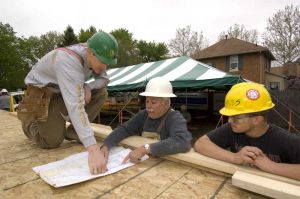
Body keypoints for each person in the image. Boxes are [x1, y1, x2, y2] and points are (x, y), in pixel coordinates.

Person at [17, 31, 118, 175]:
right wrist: (93, 149)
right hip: (44, 93)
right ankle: (29, 123)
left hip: (62, 91)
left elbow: (104, 80)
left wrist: (89, 86)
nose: (104, 67)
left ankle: (74, 132)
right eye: (102, 61)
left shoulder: (94, 58)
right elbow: (75, 106)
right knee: (51, 142)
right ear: (90, 52)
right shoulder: (68, 61)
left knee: (101, 92)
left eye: (107, 63)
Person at [194, 82, 300, 180]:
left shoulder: (286, 140)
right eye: (230, 116)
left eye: (237, 117)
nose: (230, 121)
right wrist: (234, 157)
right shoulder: (231, 129)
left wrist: (271, 166)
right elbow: (200, 144)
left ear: (256, 119)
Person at [101, 77, 192, 164]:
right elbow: (124, 129)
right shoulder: (143, 115)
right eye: (147, 101)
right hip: (143, 161)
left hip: (165, 163)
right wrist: (106, 145)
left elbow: (182, 141)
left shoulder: (175, 118)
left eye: (153, 102)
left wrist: (146, 148)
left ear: (166, 103)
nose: (148, 106)